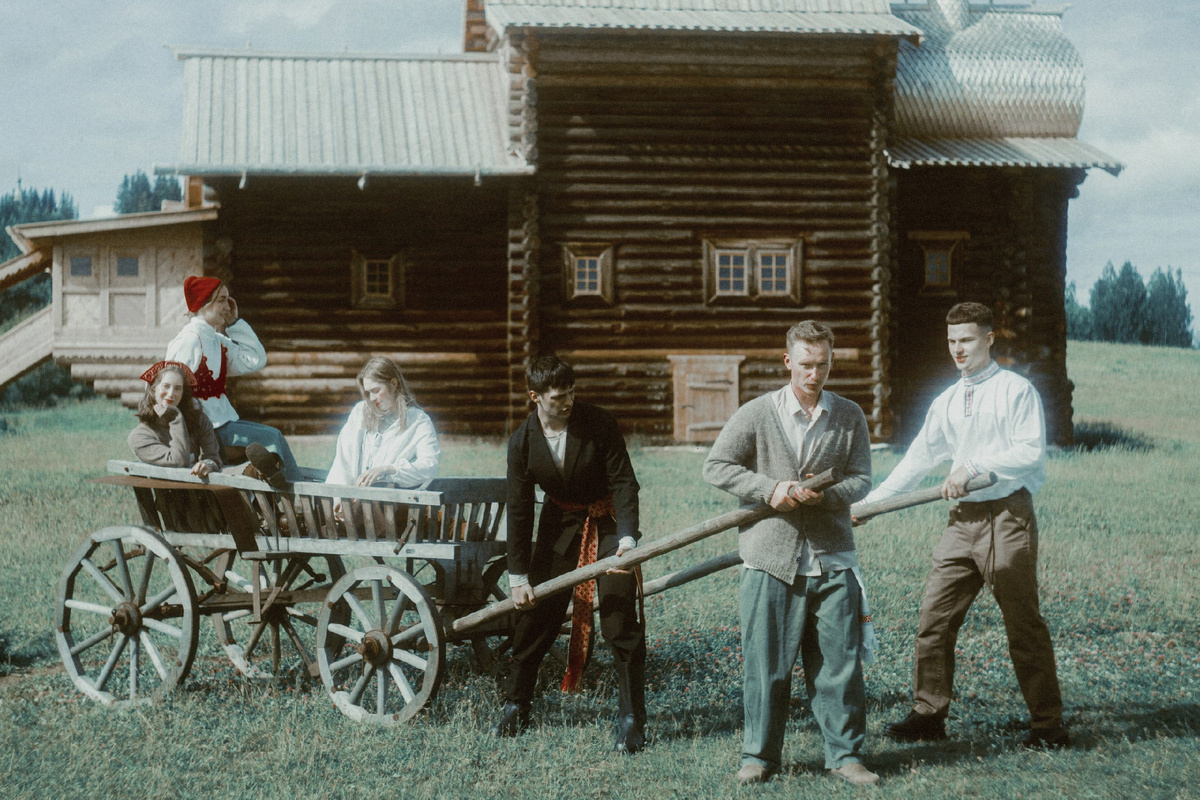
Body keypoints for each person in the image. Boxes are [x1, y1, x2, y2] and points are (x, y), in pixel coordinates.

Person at [860, 301, 1067, 750]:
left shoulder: (1016, 390)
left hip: (1007, 517)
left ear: (989, 339)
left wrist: (972, 465)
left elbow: (1030, 452)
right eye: (952, 341)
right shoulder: (947, 400)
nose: (958, 349)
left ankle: (1048, 725)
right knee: (934, 620)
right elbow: (917, 461)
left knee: (1022, 623)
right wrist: (871, 504)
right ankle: (928, 714)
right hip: (961, 523)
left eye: (967, 340)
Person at [703, 320, 877, 787]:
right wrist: (770, 488)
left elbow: (863, 478)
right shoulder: (758, 413)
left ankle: (845, 756)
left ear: (830, 361)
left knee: (839, 665)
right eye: (805, 364)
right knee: (765, 664)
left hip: (832, 556)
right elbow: (716, 466)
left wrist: (829, 495)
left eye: (822, 364)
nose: (813, 374)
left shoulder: (848, 415)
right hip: (770, 558)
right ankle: (758, 756)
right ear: (787, 362)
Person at [490, 355, 647, 754]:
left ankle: (631, 719)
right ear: (535, 397)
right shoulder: (522, 443)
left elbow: (625, 484)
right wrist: (518, 576)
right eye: (559, 397)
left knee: (617, 615)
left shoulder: (598, 425)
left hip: (608, 523)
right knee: (536, 614)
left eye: (572, 393)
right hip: (559, 527)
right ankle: (517, 705)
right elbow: (520, 509)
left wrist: (627, 541)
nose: (568, 402)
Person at [165, 275, 300, 484]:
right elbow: (170, 392)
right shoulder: (190, 340)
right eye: (221, 300)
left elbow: (254, 360)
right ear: (203, 305)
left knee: (274, 438)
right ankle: (297, 502)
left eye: (228, 299)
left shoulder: (216, 340)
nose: (227, 306)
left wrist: (235, 323)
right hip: (205, 433)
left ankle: (280, 503)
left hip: (223, 425)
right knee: (272, 439)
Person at [325, 356, 440, 516]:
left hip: (391, 507)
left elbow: (429, 466)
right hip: (354, 504)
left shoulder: (418, 420)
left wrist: (388, 469)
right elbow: (343, 459)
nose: (372, 398)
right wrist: (337, 495)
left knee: (375, 505)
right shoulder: (360, 412)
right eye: (368, 392)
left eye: (376, 390)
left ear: (394, 384)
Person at [127, 360, 222, 477]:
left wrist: (207, 465)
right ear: (153, 389)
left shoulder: (199, 420)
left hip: (204, 489)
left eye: (178, 388)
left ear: (183, 393)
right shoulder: (140, 436)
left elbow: (213, 457)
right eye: (166, 386)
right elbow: (179, 462)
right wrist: (175, 417)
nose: (171, 394)